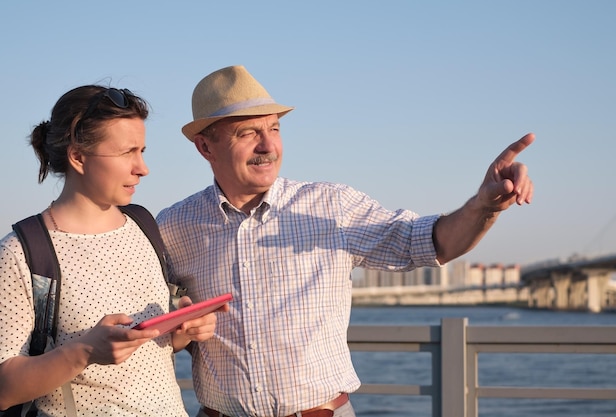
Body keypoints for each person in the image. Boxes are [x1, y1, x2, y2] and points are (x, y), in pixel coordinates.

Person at [156, 65, 534, 417]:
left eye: (274, 129)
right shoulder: (173, 226)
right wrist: (179, 331)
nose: (268, 146)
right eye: (248, 133)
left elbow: (434, 242)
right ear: (206, 148)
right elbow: (159, 324)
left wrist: (485, 205)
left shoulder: (330, 205)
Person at [0, 85, 223, 416]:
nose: (142, 167)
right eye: (127, 152)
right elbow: (4, 390)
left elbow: (147, 355)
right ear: (78, 157)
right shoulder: (22, 252)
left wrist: (181, 332)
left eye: (143, 151)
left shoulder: (143, 224)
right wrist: (84, 350)